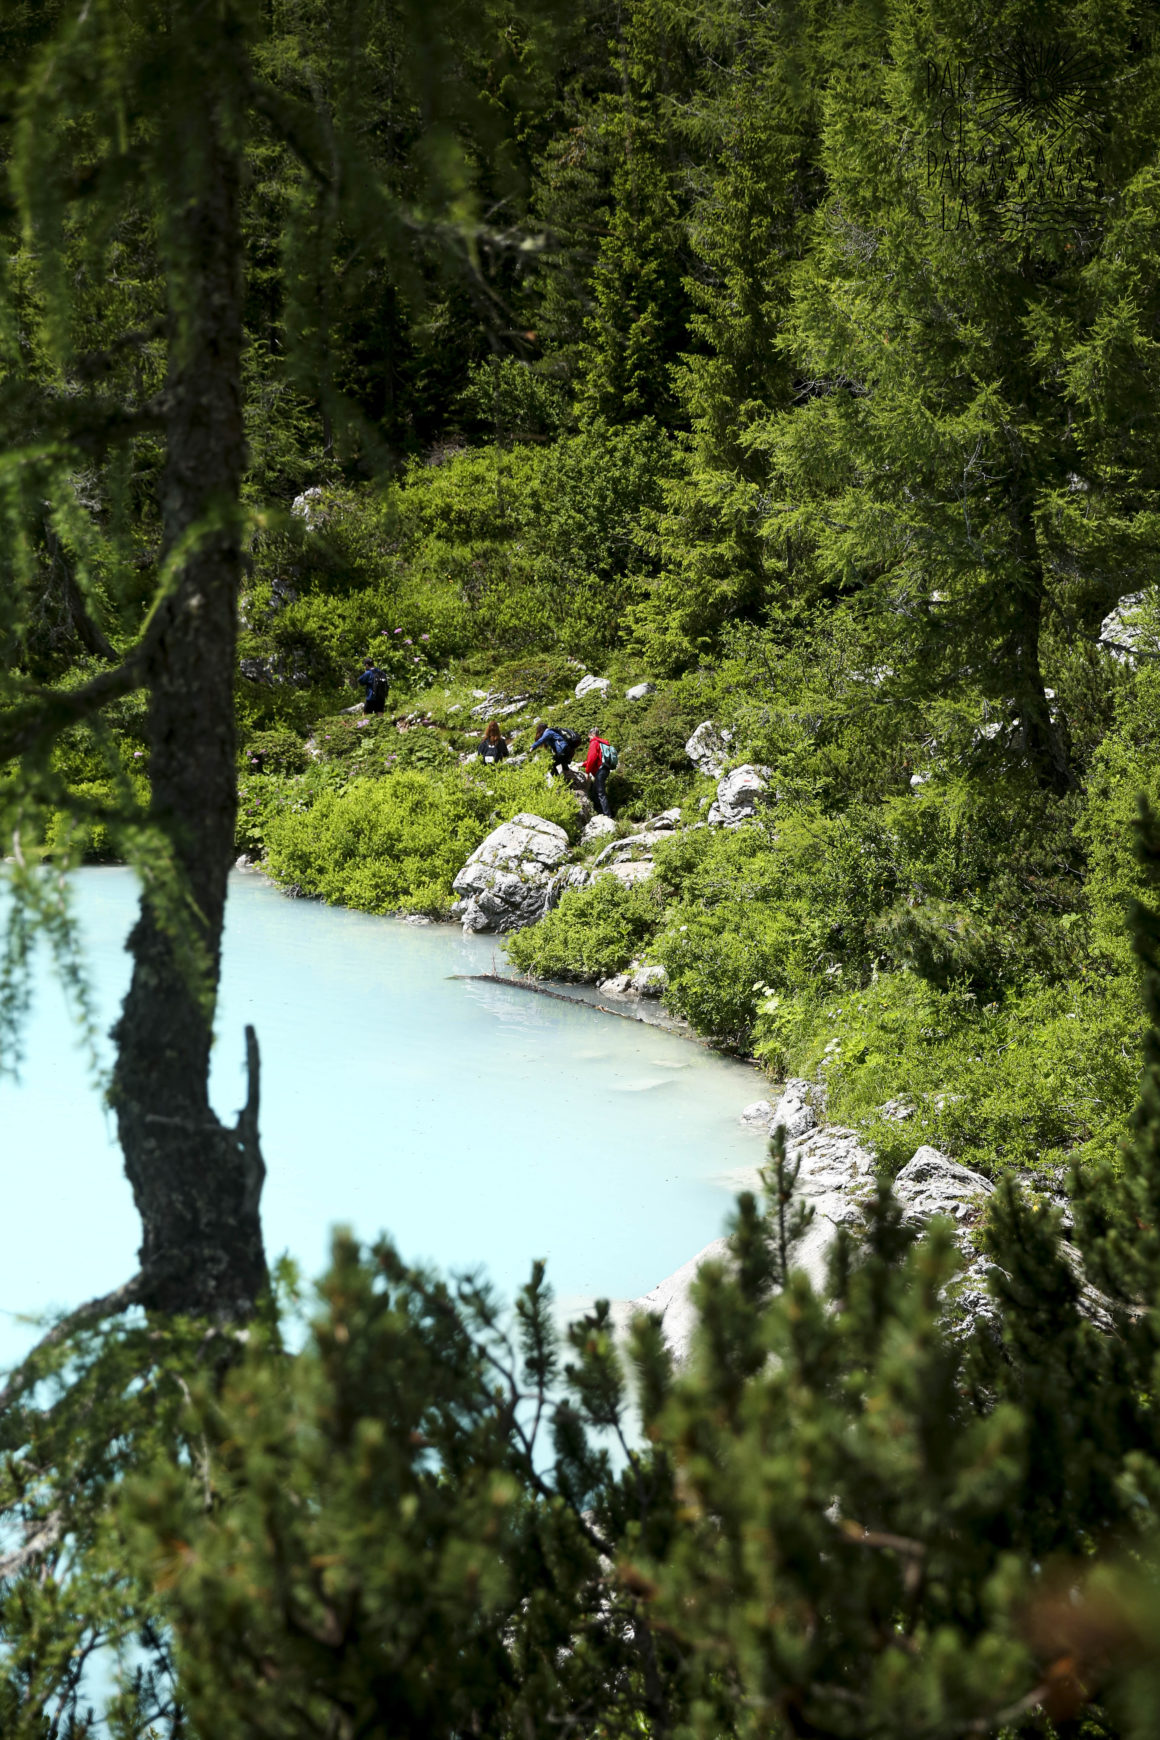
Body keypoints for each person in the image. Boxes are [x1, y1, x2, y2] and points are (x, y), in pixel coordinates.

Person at [585, 728, 615, 817]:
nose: (589, 739)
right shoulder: (602, 742)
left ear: (591, 735)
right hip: (605, 769)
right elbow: (597, 759)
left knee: (600, 792)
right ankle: (600, 812)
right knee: (595, 791)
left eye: (589, 737)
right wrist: (582, 764)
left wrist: (587, 772)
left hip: (600, 770)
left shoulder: (594, 743)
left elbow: (592, 758)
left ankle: (607, 815)